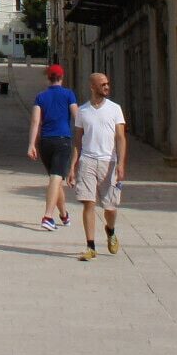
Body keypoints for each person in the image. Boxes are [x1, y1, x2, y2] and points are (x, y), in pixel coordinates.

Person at [74, 72, 128, 261]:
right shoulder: (83, 111)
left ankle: (110, 230)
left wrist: (120, 163)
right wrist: (72, 166)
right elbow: (77, 140)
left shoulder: (115, 109)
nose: (106, 87)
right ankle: (90, 246)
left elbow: (120, 138)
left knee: (110, 207)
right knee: (88, 202)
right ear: (92, 87)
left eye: (107, 84)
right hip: (87, 161)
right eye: (102, 84)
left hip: (109, 162)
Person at [24, 64, 81, 230]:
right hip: (62, 140)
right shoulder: (69, 94)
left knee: (56, 179)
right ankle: (48, 217)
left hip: (45, 142)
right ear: (62, 78)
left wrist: (31, 144)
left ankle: (64, 215)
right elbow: (77, 117)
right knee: (56, 178)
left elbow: (35, 121)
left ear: (48, 78)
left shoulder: (40, 97)